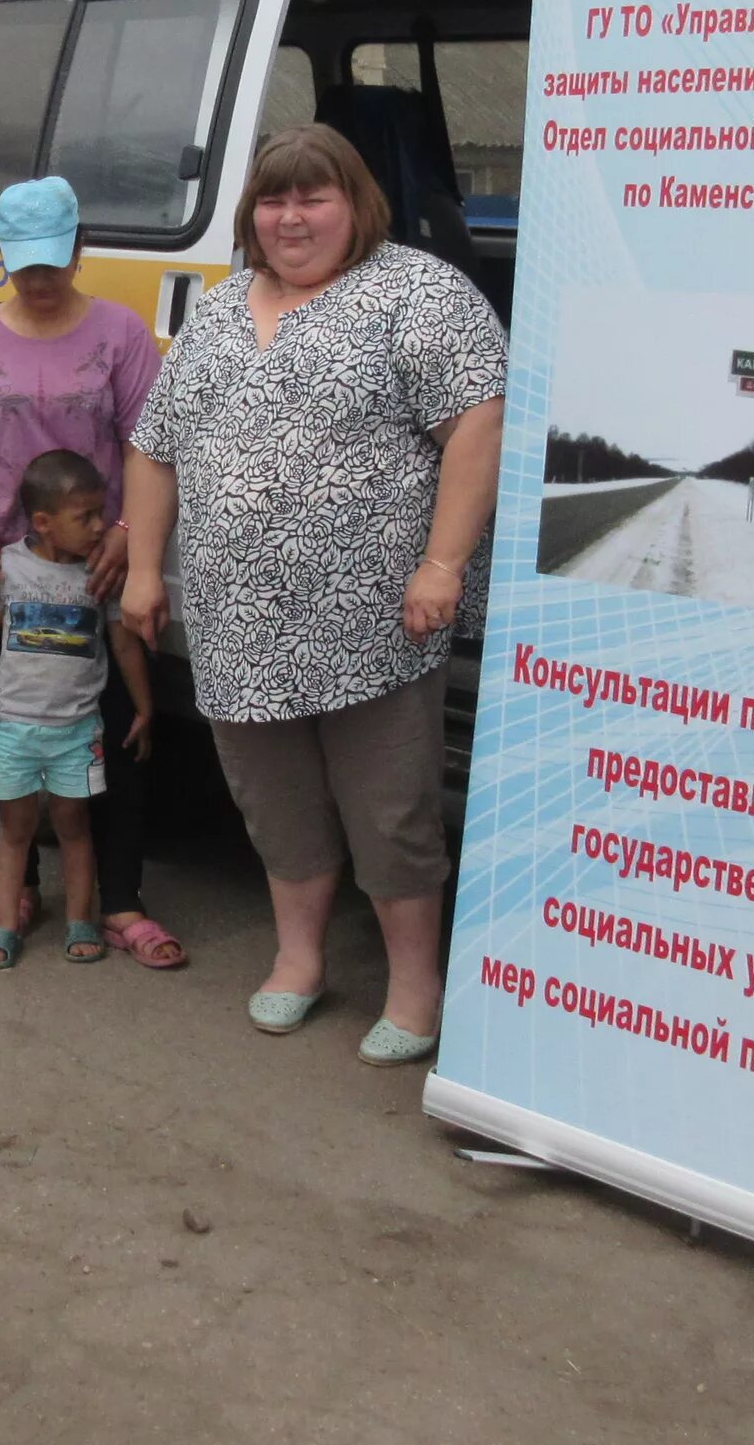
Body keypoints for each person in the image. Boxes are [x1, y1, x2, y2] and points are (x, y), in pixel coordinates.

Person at [122, 124, 506, 1067]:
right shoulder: (216, 313)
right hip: (236, 623)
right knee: (275, 804)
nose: (291, 218)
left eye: (313, 197)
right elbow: (155, 445)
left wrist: (443, 565)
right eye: (273, 200)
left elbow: (478, 424)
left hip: (374, 619)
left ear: (355, 203)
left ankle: (416, 985)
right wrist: (141, 570)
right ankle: (300, 959)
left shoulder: (416, 293)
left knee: (389, 808)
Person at [0, 177, 184, 970]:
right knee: (11, 732)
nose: (37, 278)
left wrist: (129, 535)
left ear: (78, 247)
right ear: (1, 255)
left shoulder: (121, 334)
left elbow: (147, 443)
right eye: (22, 263)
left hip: (98, 573)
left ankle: (121, 898)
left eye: (52, 260)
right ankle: (19, 886)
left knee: (114, 733)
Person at [0, 449, 154, 968]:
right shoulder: (10, 568)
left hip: (77, 729)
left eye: (100, 513)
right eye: (85, 517)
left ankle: (80, 919)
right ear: (43, 523)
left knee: (73, 824)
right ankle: (4, 921)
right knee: (14, 828)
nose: (98, 527)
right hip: (12, 729)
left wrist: (143, 706)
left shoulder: (100, 574)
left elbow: (125, 644)